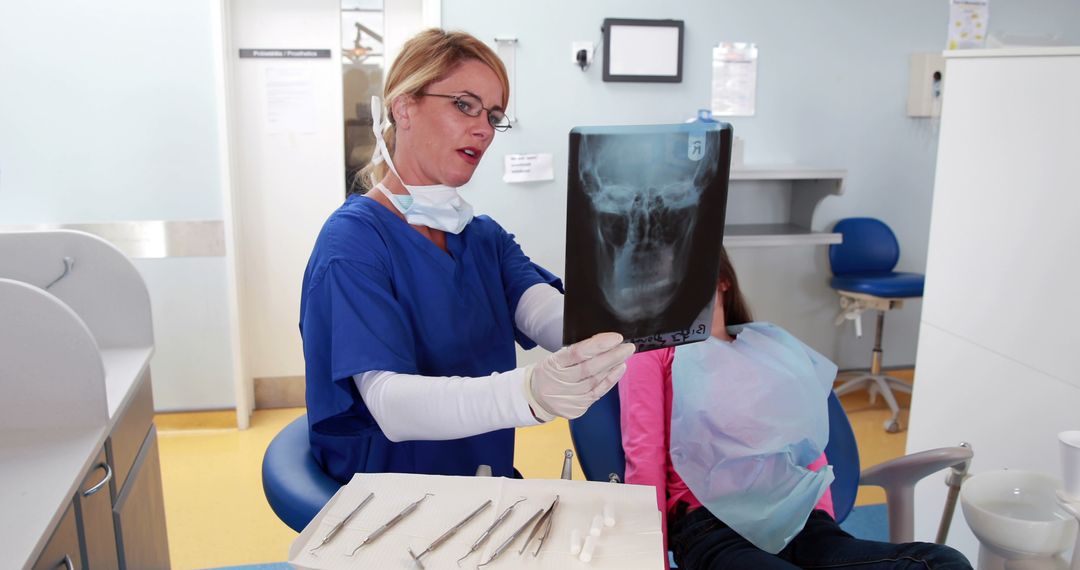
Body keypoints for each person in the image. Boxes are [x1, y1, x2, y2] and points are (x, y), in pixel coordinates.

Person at [299, 29, 634, 483]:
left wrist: (625, 324)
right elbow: (388, 402)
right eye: (464, 105)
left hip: (482, 486)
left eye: (493, 116)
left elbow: (543, 313)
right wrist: (530, 393)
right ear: (403, 106)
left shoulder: (481, 237)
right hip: (388, 505)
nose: (483, 129)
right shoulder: (353, 246)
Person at [619, 247, 972, 570]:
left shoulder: (767, 346)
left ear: (722, 280)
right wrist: (649, 560)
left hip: (800, 521)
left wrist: (822, 530)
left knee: (943, 563)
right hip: (712, 526)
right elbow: (644, 457)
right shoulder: (653, 353)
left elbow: (805, 443)